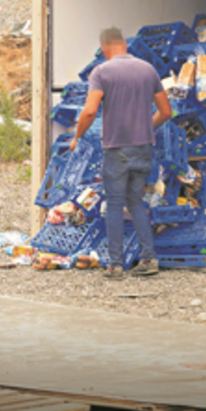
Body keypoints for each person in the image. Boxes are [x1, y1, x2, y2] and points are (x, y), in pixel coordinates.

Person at [71, 28, 172, 279]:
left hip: (118, 150)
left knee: (114, 204)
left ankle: (115, 265)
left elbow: (90, 111)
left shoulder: (102, 72)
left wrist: (76, 136)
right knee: (136, 201)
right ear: (124, 45)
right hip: (144, 149)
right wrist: (146, 127)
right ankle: (149, 259)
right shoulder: (148, 70)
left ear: (104, 48)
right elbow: (166, 112)